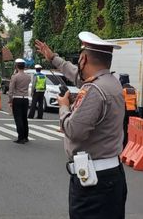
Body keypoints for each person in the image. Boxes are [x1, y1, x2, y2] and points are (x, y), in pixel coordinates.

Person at [35, 32, 127, 219]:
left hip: (94, 184)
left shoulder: (94, 90)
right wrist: (53, 58)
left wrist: (64, 107)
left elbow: (73, 131)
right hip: (111, 177)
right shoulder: (112, 83)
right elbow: (77, 76)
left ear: (83, 58)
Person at [8, 59, 30, 144]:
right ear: (24, 67)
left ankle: (21, 138)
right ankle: (26, 136)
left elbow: (11, 90)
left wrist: (10, 100)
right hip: (25, 99)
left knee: (18, 118)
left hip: (17, 98)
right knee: (24, 118)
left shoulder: (15, 77)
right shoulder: (28, 76)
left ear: (16, 66)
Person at [119, 74, 137, 148]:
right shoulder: (133, 89)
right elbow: (136, 101)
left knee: (124, 128)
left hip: (125, 111)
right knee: (132, 129)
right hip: (132, 111)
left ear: (122, 80)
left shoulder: (122, 89)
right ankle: (131, 143)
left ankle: (124, 144)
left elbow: (120, 102)